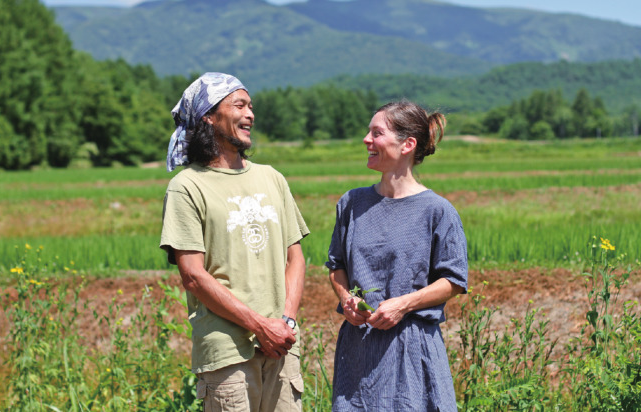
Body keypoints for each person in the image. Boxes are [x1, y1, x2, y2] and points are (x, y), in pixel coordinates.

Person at [160, 72, 309, 411]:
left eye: (251, 106)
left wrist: (284, 322)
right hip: (227, 353)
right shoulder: (188, 187)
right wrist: (259, 325)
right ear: (208, 118)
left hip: (283, 346)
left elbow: (295, 259)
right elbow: (193, 276)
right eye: (239, 105)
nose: (250, 114)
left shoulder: (272, 178)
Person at [325, 100, 468, 411]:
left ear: (408, 145)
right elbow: (337, 266)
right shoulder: (351, 204)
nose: (366, 140)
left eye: (376, 133)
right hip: (358, 351)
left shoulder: (438, 211)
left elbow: (454, 280)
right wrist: (347, 299)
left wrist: (403, 304)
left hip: (411, 348)